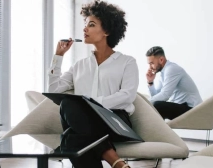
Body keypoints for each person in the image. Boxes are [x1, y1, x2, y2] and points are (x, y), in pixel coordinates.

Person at [48, 1, 138, 168]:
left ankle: (67, 143)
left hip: (115, 120)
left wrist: (92, 104)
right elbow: (53, 90)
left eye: (91, 24)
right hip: (86, 122)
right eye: (85, 24)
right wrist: (58, 57)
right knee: (68, 103)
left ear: (107, 31)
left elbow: (128, 95)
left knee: (70, 137)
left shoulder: (127, 62)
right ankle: (117, 162)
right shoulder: (79, 66)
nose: (84, 29)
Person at [146, 46, 202, 120]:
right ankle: (155, 131)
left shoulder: (171, 69)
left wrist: (146, 103)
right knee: (156, 104)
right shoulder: (163, 73)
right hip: (181, 106)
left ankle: (156, 131)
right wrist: (150, 82)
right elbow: (157, 96)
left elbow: (165, 95)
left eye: (151, 63)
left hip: (192, 109)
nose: (150, 67)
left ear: (161, 60)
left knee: (157, 105)